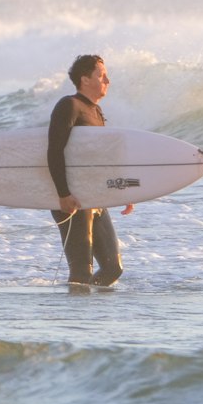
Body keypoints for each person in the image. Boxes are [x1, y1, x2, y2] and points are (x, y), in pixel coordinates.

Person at [48, 53, 133, 287]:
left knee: (112, 269)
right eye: (102, 75)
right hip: (72, 198)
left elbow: (98, 159)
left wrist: (124, 192)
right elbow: (54, 151)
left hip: (94, 198)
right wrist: (63, 194)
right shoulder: (69, 106)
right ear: (85, 80)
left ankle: (89, 312)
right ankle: (78, 321)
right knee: (80, 270)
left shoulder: (96, 112)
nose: (107, 81)